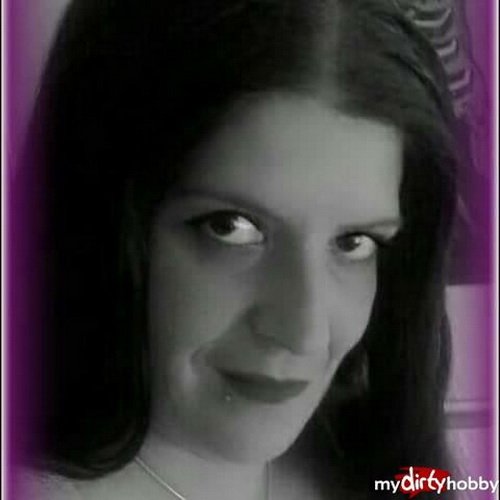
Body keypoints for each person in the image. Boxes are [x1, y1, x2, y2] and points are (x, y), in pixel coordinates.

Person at [17, 0, 459, 498]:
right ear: (99, 223)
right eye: (231, 228)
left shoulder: (387, 472)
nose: (304, 332)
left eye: (353, 242)